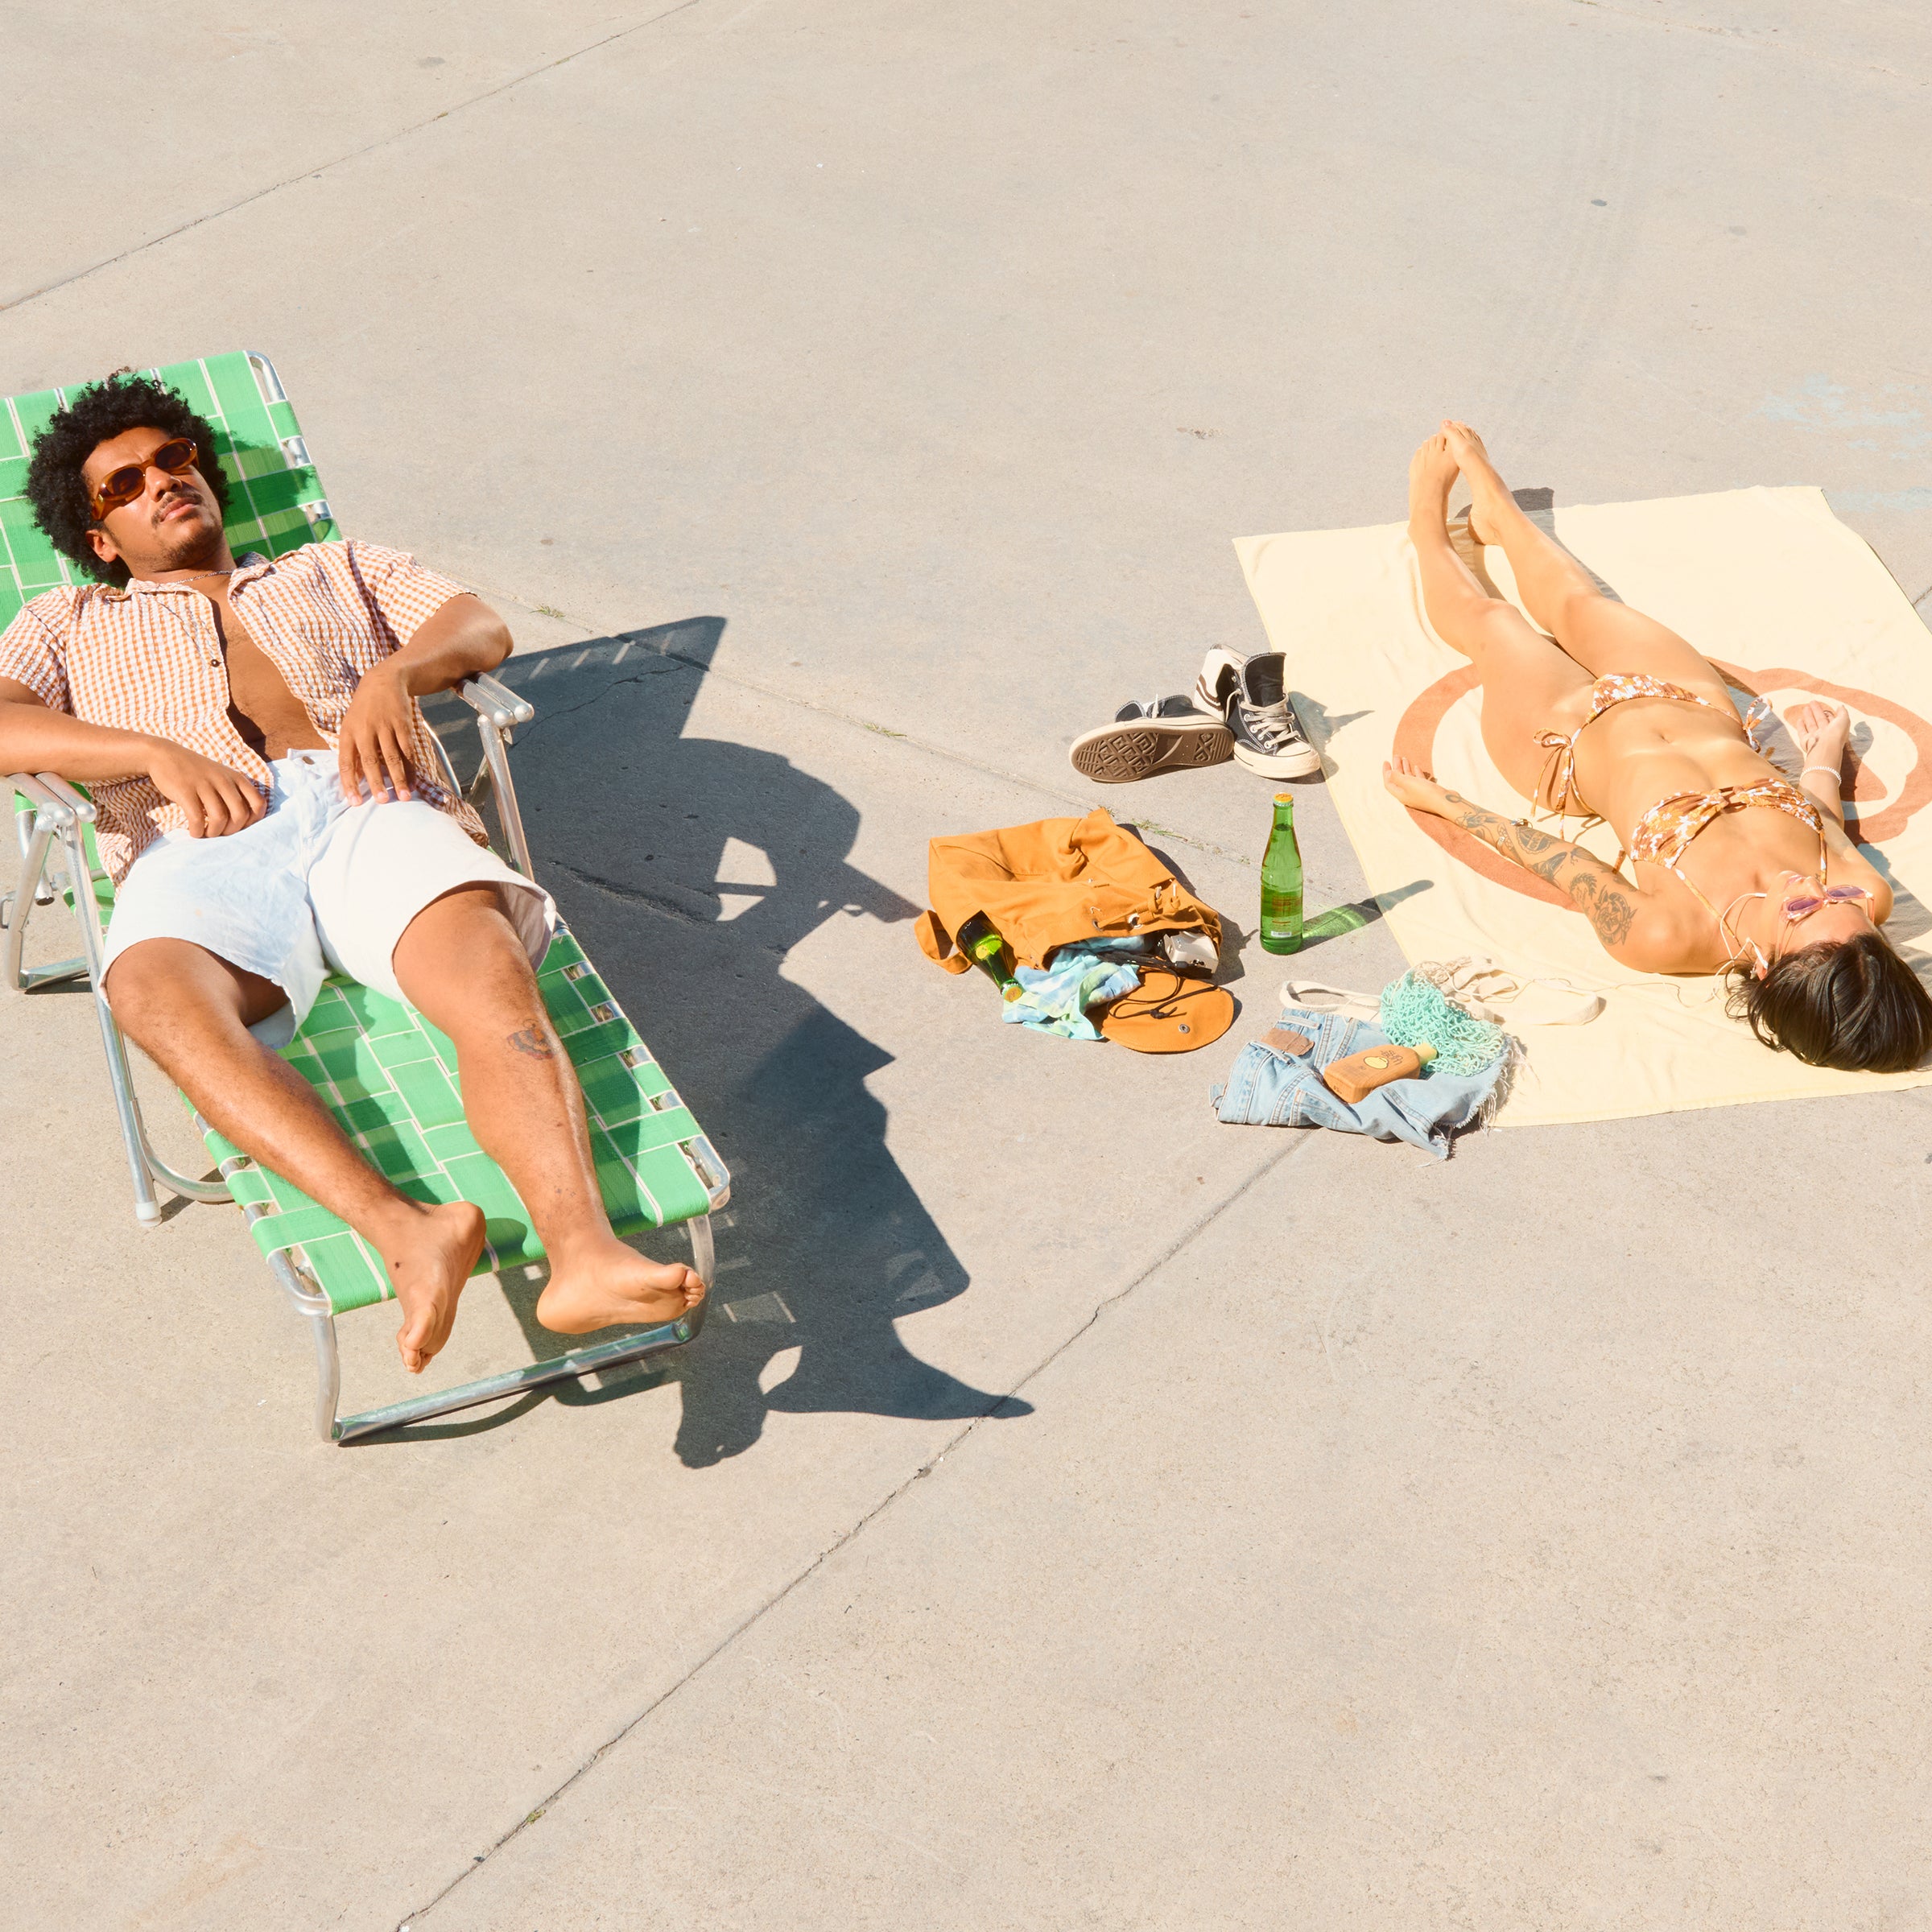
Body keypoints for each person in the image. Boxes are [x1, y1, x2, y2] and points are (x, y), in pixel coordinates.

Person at [0, 374, 704, 1371]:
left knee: (487, 973)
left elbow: (476, 628)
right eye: (126, 484)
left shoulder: (336, 567)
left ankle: (584, 1255)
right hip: (199, 835)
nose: (163, 480)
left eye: (175, 458)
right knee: (150, 992)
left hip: (372, 803)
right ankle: (410, 1233)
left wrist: (393, 675)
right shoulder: (70, 620)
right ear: (102, 540)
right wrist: (149, 753)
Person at [1384, 419, 1932, 1074]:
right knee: (1576, 601)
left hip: (1568, 745)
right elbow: (1821, 822)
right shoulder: (1865, 896)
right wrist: (1823, 755)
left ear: (1768, 967)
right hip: (1688, 701)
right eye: (1840, 902)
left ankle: (1424, 524)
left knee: (1495, 624)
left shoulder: (1668, 933)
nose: (1813, 885)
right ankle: (1498, 510)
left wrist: (1449, 805)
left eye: (1804, 907)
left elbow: (1564, 865)